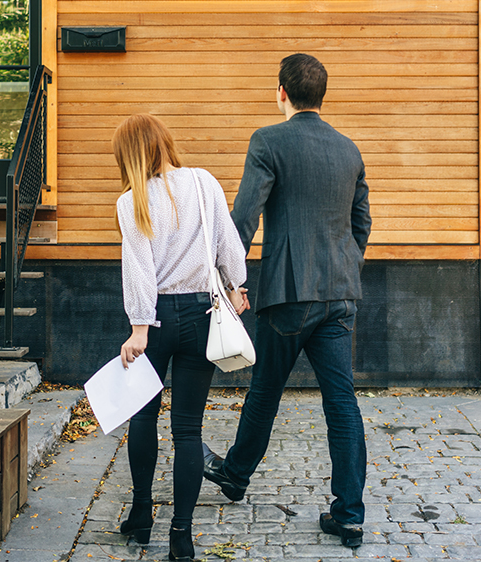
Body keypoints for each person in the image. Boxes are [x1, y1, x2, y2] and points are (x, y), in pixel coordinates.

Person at [201, 53, 372, 547]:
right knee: (342, 401)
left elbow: (243, 219)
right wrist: (344, 267)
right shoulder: (349, 150)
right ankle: (350, 513)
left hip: (287, 297)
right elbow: (361, 224)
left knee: (265, 391)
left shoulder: (268, 141)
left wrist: (228, 282)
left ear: (281, 92)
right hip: (340, 296)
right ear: (322, 96)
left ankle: (235, 475)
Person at [114, 114, 247, 561]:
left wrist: (138, 327)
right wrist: (235, 285)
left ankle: (141, 515)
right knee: (188, 430)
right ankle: (182, 536)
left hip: (155, 322)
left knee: (143, 418)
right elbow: (229, 247)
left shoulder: (130, 200)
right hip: (200, 313)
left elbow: (139, 272)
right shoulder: (205, 182)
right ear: (164, 142)